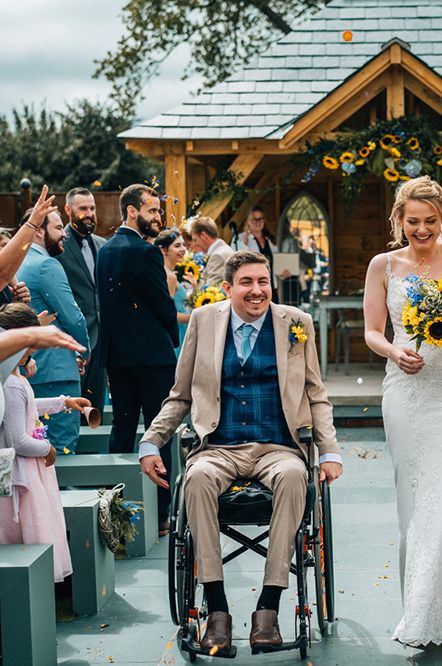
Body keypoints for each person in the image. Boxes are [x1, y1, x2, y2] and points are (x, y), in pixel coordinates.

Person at [139, 250, 342, 653]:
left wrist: (330, 450)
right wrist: (151, 441)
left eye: (262, 282)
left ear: (272, 284)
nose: (256, 290)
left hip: (277, 446)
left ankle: (268, 610)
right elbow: (179, 395)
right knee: (194, 478)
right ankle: (217, 609)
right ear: (228, 288)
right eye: (246, 283)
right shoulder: (203, 321)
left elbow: (316, 394)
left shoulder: (296, 324)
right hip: (219, 446)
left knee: (293, 475)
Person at [364, 175, 442, 648]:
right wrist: (395, 352)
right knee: (414, 502)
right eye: (413, 221)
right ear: (399, 220)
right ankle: (418, 612)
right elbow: (373, 330)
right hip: (408, 393)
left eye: (431, 221)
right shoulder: (383, 265)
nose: (422, 229)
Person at [97, 183, 179, 536]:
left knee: (122, 430)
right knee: (160, 433)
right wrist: (172, 343)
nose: (157, 217)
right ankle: (163, 514)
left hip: (118, 357)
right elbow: (162, 303)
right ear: (132, 211)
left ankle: (113, 511)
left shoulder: (105, 250)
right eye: (152, 211)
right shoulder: (146, 253)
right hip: (152, 358)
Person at [0, 303, 91, 582]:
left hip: (29, 471)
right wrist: (47, 449)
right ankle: (31, 587)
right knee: (30, 530)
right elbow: (19, 440)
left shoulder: (13, 378)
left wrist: (63, 402)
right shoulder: (12, 383)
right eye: (29, 346)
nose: (32, 353)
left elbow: (27, 408)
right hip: (23, 474)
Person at [17, 208, 90, 453]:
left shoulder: (18, 263)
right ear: (38, 231)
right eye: (58, 228)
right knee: (62, 448)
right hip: (56, 371)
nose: (64, 235)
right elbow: (73, 317)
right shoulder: (47, 265)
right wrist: (83, 351)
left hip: (30, 366)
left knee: (37, 444)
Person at [57, 187, 107, 417]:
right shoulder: (58, 245)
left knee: (96, 405)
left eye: (92, 208)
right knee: (72, 407)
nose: (89, 213)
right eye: (83, 209)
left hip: (103, 337)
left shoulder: (102, 244)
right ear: (68, 210)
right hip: (73, 338)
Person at [154, 228, 196, 357]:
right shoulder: (169, 276)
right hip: (176, 331)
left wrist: (194, 289)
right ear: (164, 250)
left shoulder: (165, 272)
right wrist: (196, 317)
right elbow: (168, 314)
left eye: (184, 244)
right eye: (177, 246)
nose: (183, 249)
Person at [232, 206, 279, 302]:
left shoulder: (270, 240)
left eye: (260, 219)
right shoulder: (239, 239)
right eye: (254, 219)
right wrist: (244, 244)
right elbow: (235, 261)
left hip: (271, 286)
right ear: (248, 221)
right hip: (253, 288)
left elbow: (277, 262)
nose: (258, 222)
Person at [191, 216, 234, 285]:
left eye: (195, 240)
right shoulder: (222, 248)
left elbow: (210, 288)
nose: (194, 245)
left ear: (203, 235)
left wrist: (194, 284)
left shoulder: (218, 256)